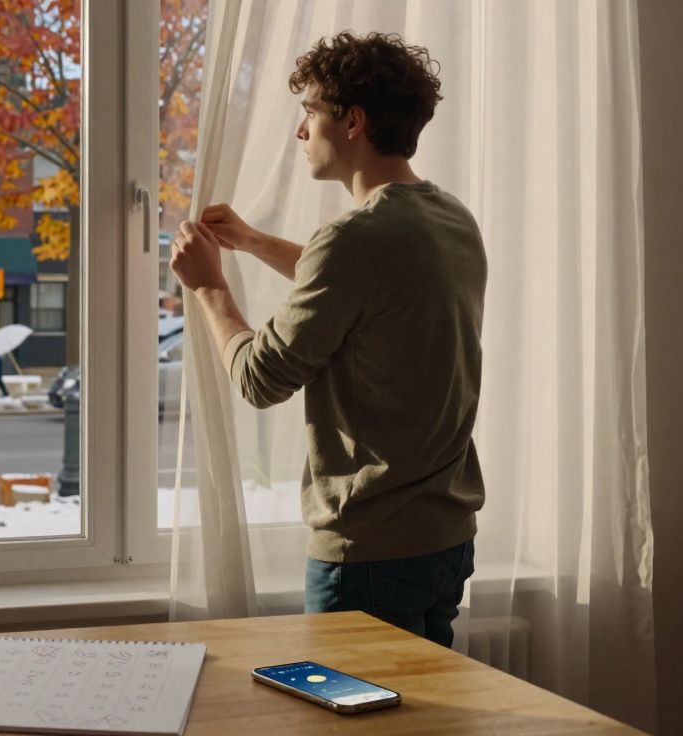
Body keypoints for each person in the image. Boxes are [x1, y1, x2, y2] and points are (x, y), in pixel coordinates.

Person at [169, 31, 486, 648]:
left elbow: (259, 380)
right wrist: (254, 242)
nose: (300, 131)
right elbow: (368, 291)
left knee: (357, 705)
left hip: (369, 556)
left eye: (309, 112)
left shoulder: (353, 242)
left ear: (353, 122)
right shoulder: (449, 219)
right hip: (445, 542)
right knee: (422, 705)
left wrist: (208, 286)